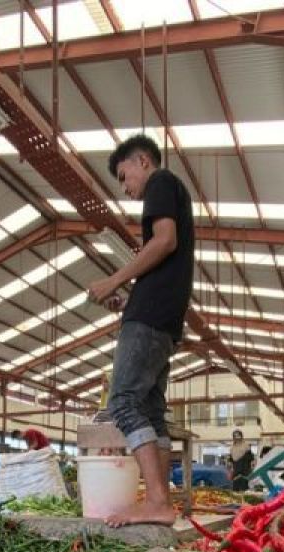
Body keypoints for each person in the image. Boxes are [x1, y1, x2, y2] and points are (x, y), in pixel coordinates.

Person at [87, 134, 194, 527]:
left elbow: (164, 242)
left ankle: (157, 500)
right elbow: (162, 260)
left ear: (143, 161)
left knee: (124, 402)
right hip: (162, 317)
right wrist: (129, 297)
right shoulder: (172, 190)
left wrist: (115, 281)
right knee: (150, 408)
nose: (126, 188)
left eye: (123, 176)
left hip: (151, 317)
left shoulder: (161, 183)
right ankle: (159, 501)